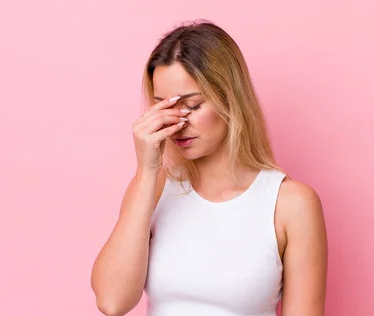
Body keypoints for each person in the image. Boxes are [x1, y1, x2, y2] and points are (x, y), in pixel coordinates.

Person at [90, 20, 328, 316]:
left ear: (231, 99)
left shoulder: (291, 204)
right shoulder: (153, 187)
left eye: (192, 106)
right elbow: (112, 302)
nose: (177, 123)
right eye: (163, 106)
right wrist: (147, 171)